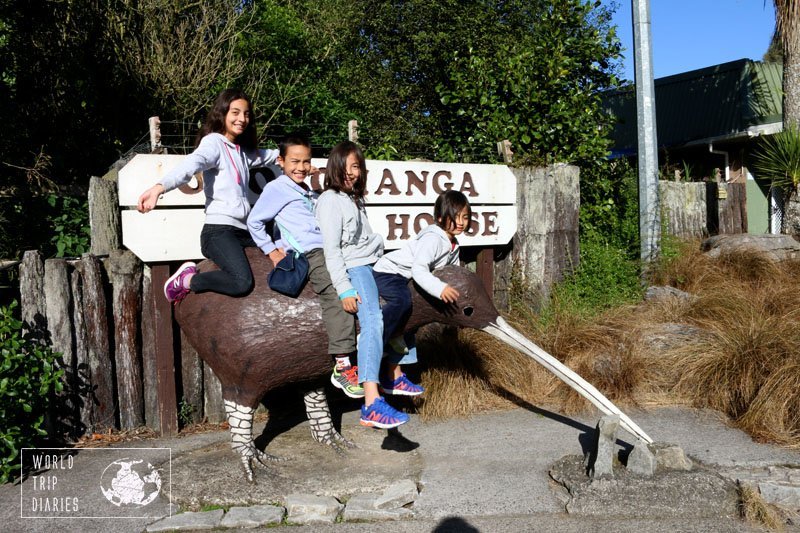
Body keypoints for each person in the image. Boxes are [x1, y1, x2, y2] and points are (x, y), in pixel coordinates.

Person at [247, 135, 362, 400]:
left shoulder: (308, 191)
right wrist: (273, 251)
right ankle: (343, 365)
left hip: (334, 248)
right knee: (337, 293)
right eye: (294, 161)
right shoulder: (277, 189)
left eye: (306, 161)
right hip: (312, 253)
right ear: (281, 161)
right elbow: (255, 221)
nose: (300, 167)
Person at [137, 88, 278, 303]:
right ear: (222, 113)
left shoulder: (241, 151)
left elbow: (270, 156)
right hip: (218, 231)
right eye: (235, 112)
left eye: (246, 114)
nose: (242, 119)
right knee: (242, 282)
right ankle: (187, 281)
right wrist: (159, 187)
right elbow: (191, 164)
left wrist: (297, 158)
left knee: (277, 239)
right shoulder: (213, 143)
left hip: (242, 230)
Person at [316, 140, 414, 429]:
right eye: (347, 167)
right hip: (355, 267)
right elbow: (332, 250)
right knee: (372, 319)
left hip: (375, 261)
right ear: (334, 167)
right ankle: (371, 403)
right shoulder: (330, 200)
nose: (352, 173)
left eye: (356, 166)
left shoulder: (355, 199)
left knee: (406, 297)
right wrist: (345, 287)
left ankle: (394, 373)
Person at [371, 190, 471, 391]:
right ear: (441, 218)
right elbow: (419, 269)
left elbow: (453, 274)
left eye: (465, 217)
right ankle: (376, 340)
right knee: (402, 302)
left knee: (411, 319)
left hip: (405, 277)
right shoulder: (434, 239)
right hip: (389, 272)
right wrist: (440, 288)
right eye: (455, 216)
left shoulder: (453, 244)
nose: (461, 222)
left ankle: (392, 375)